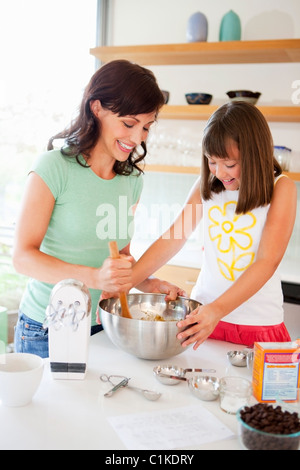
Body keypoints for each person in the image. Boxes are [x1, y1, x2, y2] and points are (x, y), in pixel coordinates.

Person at [13, 59, 182, 358]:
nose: (137, 138)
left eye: (146, 127)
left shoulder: (131, 181)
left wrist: (146, 282)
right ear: (97, 108)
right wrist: (93, 278)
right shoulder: (53, 168)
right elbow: (23, 259)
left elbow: (120, 259)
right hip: (47, 329)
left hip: (104, 326)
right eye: (129, 124)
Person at [131, 101, 297, 349]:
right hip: (203, 318)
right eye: (212, 161)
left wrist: (217, 310)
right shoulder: (206, 185)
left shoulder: (281, 188)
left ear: (255, 155)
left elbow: (267, 261)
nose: (219, 172)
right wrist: (128, 281)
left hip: (257, 324)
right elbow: (174, 237)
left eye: (230, 164)